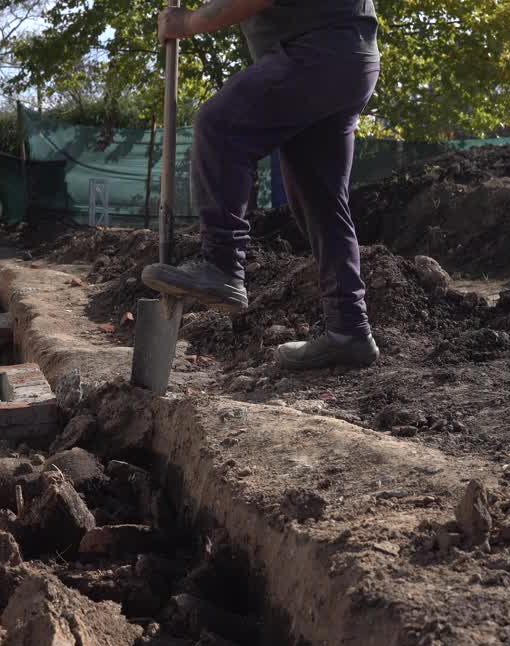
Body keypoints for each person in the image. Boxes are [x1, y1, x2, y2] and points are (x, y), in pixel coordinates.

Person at [140, 0, 382, 370]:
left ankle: (222, 264)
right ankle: (350, 330)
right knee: (321, 202)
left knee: (220, 126)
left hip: (315, 52)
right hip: (350, 59)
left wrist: (187, 23)